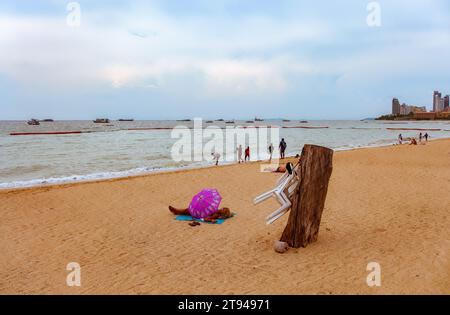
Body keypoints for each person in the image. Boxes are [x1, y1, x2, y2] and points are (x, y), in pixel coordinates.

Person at [169, 205, 233, 224]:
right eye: (223, 208)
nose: (221, 208)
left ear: (222, 213)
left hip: (200, 214)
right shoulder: (217, 210)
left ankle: (176, 211)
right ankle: (177, 211)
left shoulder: (216, 215)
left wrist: (211, 220)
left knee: (187, 210)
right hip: (203, 210)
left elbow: (205, 219)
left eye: (223, 209)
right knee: (187, 210)